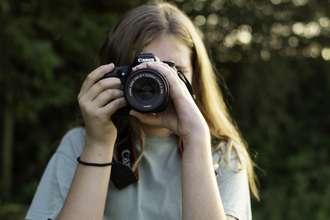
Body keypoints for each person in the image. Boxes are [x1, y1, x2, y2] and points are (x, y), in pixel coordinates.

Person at [26, 2, 258, 220]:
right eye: (141, 71)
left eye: (174, 71)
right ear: (113, 74)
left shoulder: (221, 154)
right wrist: (99, 144)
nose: (159, 83)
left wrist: (196, 138)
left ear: (196, 77)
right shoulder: (80, 144)